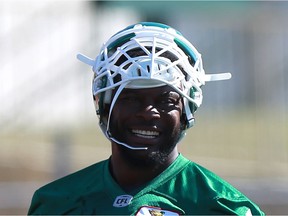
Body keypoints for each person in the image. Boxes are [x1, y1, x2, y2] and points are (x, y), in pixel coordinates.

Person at [28, 22, 264, 215]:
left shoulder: (223, 207)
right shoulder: (56, 204)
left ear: (187, 109)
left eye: (166, 99)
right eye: (131, 97)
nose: (148, 111)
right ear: (105, 104)